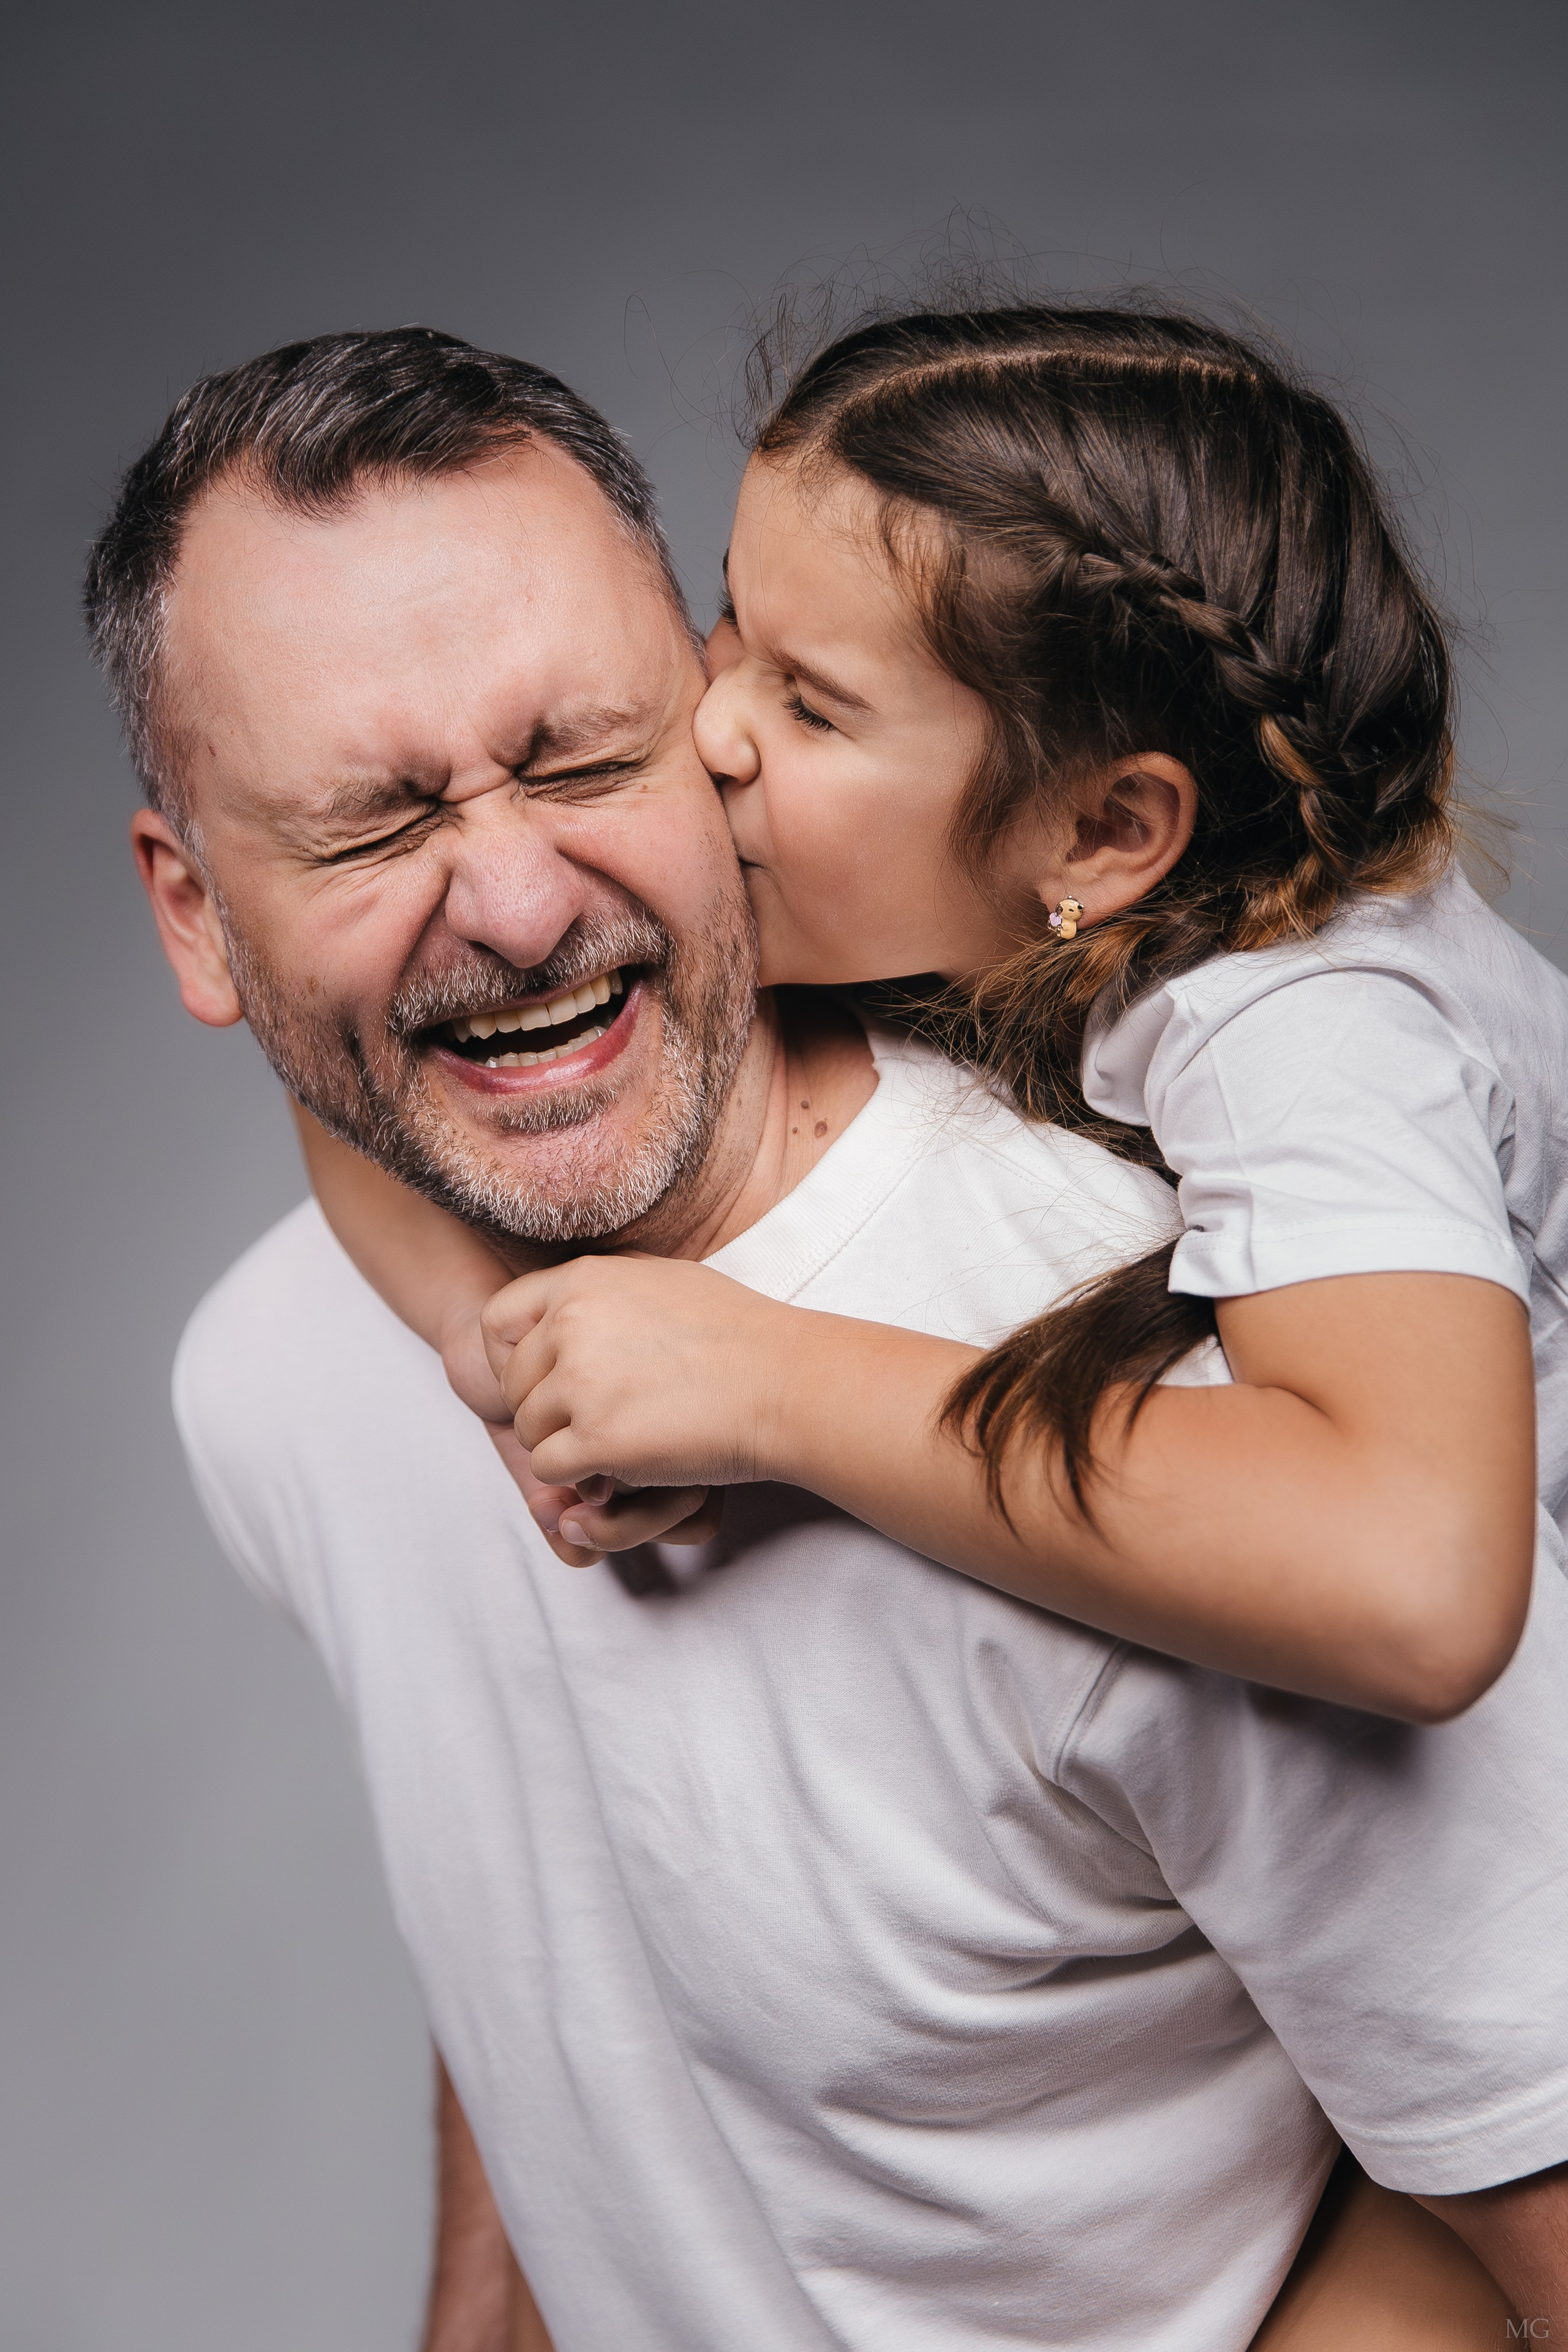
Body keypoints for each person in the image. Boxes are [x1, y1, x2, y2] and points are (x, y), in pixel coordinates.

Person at [87, 329, 1567, 2348]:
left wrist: (768, 1382)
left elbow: (1424, 1609)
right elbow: (569, 1899)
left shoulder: (1175, 1404)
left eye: (585, 753)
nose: (516, 902)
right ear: (198, 912)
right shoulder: (282, 1363)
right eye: (366, 828)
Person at [347, 303, 1568, 1735]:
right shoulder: (976, 885)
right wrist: (497, 1355)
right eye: (729, 617)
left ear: (1103, 828)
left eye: (809, 704)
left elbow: (1416, 1588)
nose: (714, 725)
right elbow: (354, 1070)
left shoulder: (1304, 1026)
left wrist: (761, 1382)